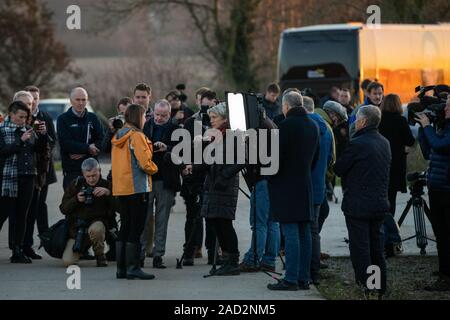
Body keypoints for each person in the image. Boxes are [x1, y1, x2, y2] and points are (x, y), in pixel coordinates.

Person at [334, 105, 390, 298]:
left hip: (358, 206)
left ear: (364, 121)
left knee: (361, 249)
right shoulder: (384, 142)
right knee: (376, 248)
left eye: (356, 119)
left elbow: (339, 169)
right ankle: (379, 287)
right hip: (379, 204)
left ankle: (368, 287)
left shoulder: (357, 144)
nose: (354, 122)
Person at [267, 91, 319, 291]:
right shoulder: (313, 125)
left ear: (286, 107)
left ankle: (290, 279)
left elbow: (274, 159)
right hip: (305, 184)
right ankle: (303, 278)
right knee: (304, 233)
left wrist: (270, 177)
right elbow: (315, 158)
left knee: (290, 233)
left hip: (286, 186)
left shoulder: (285, 126)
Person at [186, 102, 244, 275]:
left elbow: (241, 159)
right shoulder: (217, 134)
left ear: (224, 118)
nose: (211, 121)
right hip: (214, 183)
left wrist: (224, 176)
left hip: (224, 185)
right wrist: (194, 166)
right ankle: (227, 260)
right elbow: (209, 160)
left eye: (214, 117)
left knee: (224, 223)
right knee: (215, 222)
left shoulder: (233, 134)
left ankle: (232, 261)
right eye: (210, 117)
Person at [111, 104, 158, 280]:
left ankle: (121, 269)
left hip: (122, 188)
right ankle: (133, 267)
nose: (145, 119)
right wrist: (155, 168)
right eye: (144, 116)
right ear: (138, 117)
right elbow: (145, 163)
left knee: (125, 226)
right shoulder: (137, 136)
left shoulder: (118, 135)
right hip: (137, 188)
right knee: (136, 228)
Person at [0, 101, 48, 263]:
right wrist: (20, 141)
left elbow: (39, 150)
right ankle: (16, 248)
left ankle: (18, 250)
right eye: (20, 117)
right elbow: (3, 152)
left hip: (28, 177)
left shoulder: (28, 130)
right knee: (3, 214)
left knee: (22, 216)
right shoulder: (2, 130)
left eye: (25, 117)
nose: (23, 120)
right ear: (11, 114)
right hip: (9, 178)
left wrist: (41, 135)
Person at [141, 100, 181, 269]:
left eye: (163, 116)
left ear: (169, 114)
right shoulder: (146, 126)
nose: (159, 118)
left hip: (166, 179)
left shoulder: (177, 129)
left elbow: (182, 152)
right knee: (144, 218)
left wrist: (168, 148)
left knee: (162, 219)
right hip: (147, 178)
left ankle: (158, 255)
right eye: (157, 114)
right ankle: (141, 253)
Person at [239, 109, 280, 273]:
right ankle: (269, 260)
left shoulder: (260, 128)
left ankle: (253, 259)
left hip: (262, 180)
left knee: (258, 223)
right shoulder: (270, 124)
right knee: (271, 222)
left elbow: (253, 157)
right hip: (271, 179)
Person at [416, 97, 450, 291]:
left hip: (447, 190)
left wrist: (428, 127)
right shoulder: (443, 128)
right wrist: (423, 128)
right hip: (437, 188)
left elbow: (440, 145)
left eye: (448, 105)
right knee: (441, 235)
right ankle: (444, 274)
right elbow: (429, 152)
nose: (444, 108)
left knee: (447, 235)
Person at [182, 89, 219, 264]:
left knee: (213, 216)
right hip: (194, 176)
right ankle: (191, 250)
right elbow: (183, 148)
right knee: (193, 216)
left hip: (214, 174)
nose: (207, 112)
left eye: (210, 107)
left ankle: (213, 251)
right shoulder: (191, 122)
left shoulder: (220, 122)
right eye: (203, 106)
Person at [59, 158, 115, 267]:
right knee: (68, 262)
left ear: (99, 171)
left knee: (97, 228)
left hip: (97, 225)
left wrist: (108, 193)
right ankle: (81, 250)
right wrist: (76, 200)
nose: (91, 179)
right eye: (88, 176)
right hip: (77, 229)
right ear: (83, 174)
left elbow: (120, 209)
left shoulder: (106, 185)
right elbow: (63, 208)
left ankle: (99, 254)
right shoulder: (76, 185)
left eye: (94, 175)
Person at [22, 86, 56, 260]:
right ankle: (22, 244)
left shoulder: (45, 117)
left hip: (42, 172)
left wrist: (44, 136)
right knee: (25, 211)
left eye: (36, 98)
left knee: (39, 207)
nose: (33, 101)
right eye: (30, 98)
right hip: (26, 171)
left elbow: (53, 142)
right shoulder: (21, 118)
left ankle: (44, 239)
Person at [379, 94, 415, 257]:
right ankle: (390, 241)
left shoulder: (379, 120)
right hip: (396, 166)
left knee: (380, 201)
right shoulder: (401, 121)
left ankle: (383, 238)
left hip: (381, 165)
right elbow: (410, 141)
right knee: (390, 202)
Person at [303, 96, 334, 285]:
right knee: (313, 230)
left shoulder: (308, 128)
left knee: (306, 231)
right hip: (319, 184)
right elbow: (331, 157)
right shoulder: (326, 128)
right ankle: (314, 271)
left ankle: (308, 271)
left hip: (306, 185)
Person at [57, 87, 104, 190]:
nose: (81, 103)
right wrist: (87, 148)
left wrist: (85, 151)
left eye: (83, 100)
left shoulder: (93, 118)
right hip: (72, 171)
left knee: (95, 205)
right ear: (71, 101)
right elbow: (65, 144)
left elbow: (102, 140)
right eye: (77, 100)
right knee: (73, 204)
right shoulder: (62, 119)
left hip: (93, 173)